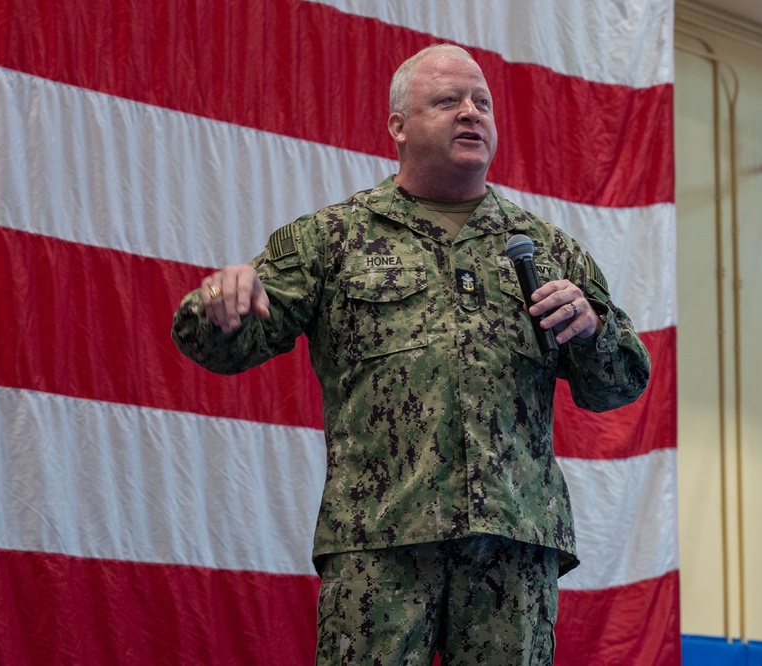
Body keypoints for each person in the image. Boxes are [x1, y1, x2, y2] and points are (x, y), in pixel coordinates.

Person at [172, 43, 650, 666]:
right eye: (448, 101)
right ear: (398, 126)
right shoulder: (332, 238)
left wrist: (593, 332)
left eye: (481, 101)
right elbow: (222, 345)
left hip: (512, 544)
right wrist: (216, 303)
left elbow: (620, 383)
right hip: (379, 541)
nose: (470, 113)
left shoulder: (548, 250)